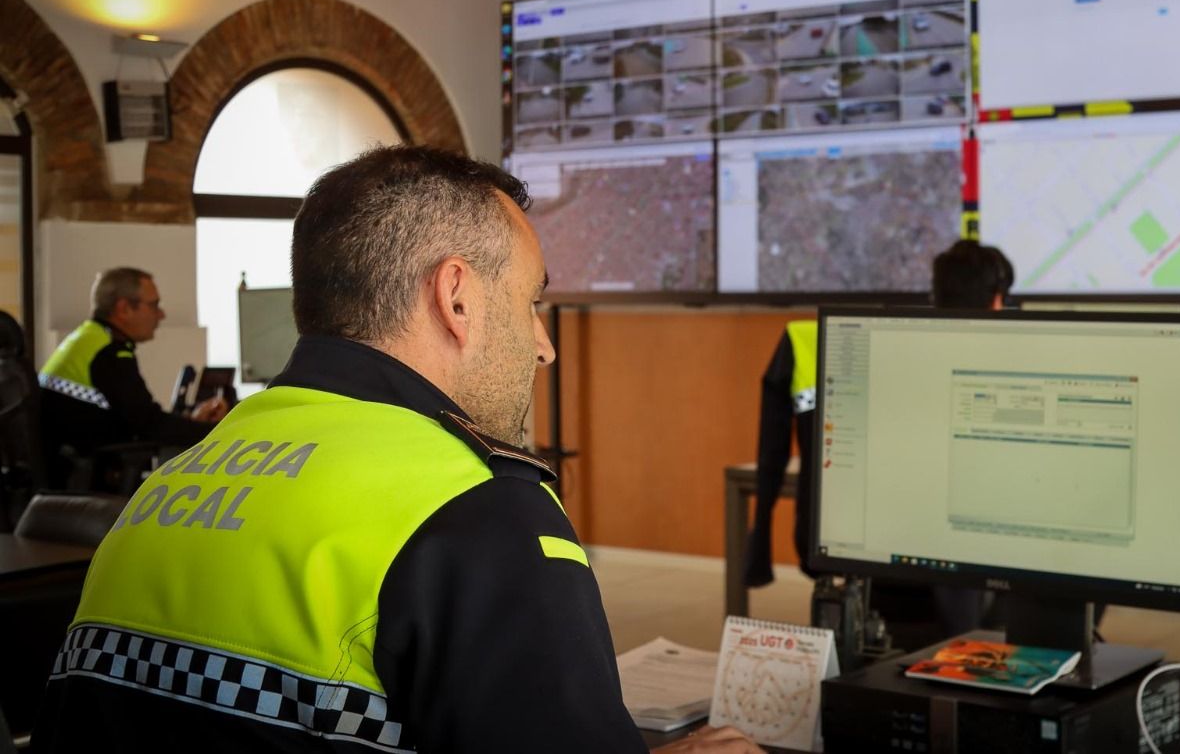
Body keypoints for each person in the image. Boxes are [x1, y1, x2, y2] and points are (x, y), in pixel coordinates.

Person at [34, 147, 757, 753]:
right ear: (457, 297)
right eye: (531, 302)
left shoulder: (167, 489)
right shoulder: (480, 510)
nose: (544, 346)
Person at [744, 238, 1014, 644]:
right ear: (997, 302)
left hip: (849, 553)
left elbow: (770, 452)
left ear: (934, 293)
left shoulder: (838, 340)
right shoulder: (999, 360)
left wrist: (758, 555)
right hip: (949, 571)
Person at [37, 267, 227, 488]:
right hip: (83, 473)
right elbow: (149, 425)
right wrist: (220, 431)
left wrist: (189, 419)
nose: (161, 315)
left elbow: (135, 417)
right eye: (154, 305)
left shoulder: (87, 339)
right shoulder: (109, 353)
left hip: (65, 467)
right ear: (124, 308)